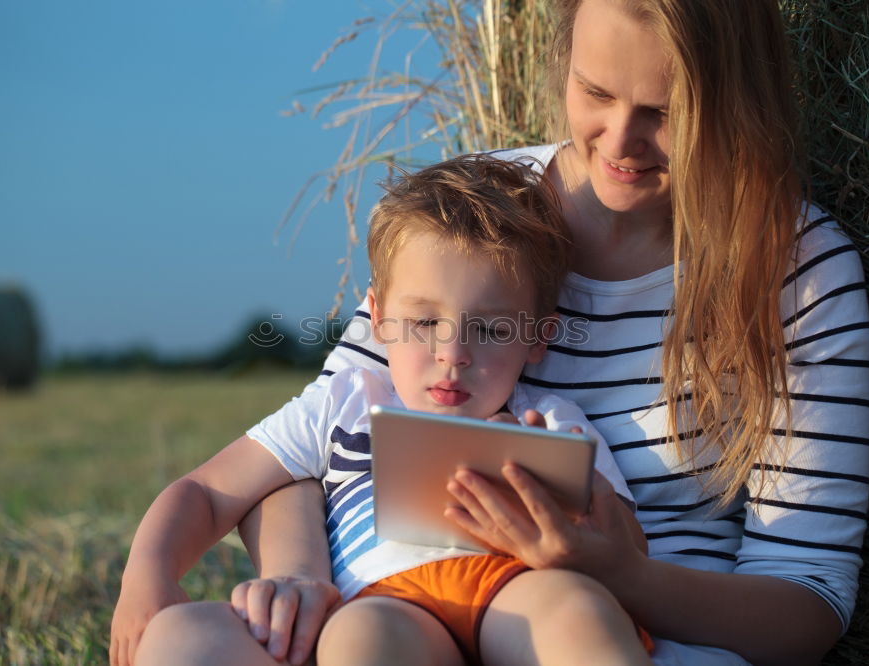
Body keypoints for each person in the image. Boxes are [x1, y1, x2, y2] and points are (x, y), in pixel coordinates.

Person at [122, 0, 869, 664]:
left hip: (609, 626)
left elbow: (807, 604)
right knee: (190, 645)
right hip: (384, 612)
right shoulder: (474, 216)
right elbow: (305, 459)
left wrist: (623, 575)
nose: (620, 139)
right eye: (595, 92)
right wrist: (304, 582)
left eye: (666, 111)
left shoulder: (798, 273)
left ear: (733, 101)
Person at [112, 155, 654, 666]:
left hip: (510, 586)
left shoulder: (552, 420)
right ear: (377, 316)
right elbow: (208, 491)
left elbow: (629, 553)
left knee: (577, 612)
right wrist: (148, 577)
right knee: (194, 638)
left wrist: (572, 515)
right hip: (383, 601)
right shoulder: (344, 403)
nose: (452, 353)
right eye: (423, 323)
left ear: (538, 338)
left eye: (491, 330)